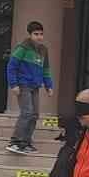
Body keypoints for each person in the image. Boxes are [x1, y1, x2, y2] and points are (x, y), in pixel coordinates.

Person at [5, 21, 53, 155]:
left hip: (35, 86)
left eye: (41, 34)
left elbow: (46, 70)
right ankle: (15, 142)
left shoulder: (44, 50)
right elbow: (11, 67)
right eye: (36, 34)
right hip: (23, 85)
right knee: (27, 112)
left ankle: (26, 143)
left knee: (35, 114)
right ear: (30, 35)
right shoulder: (23, 48)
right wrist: (13, 84)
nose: (39, 37)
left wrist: (49, 85)